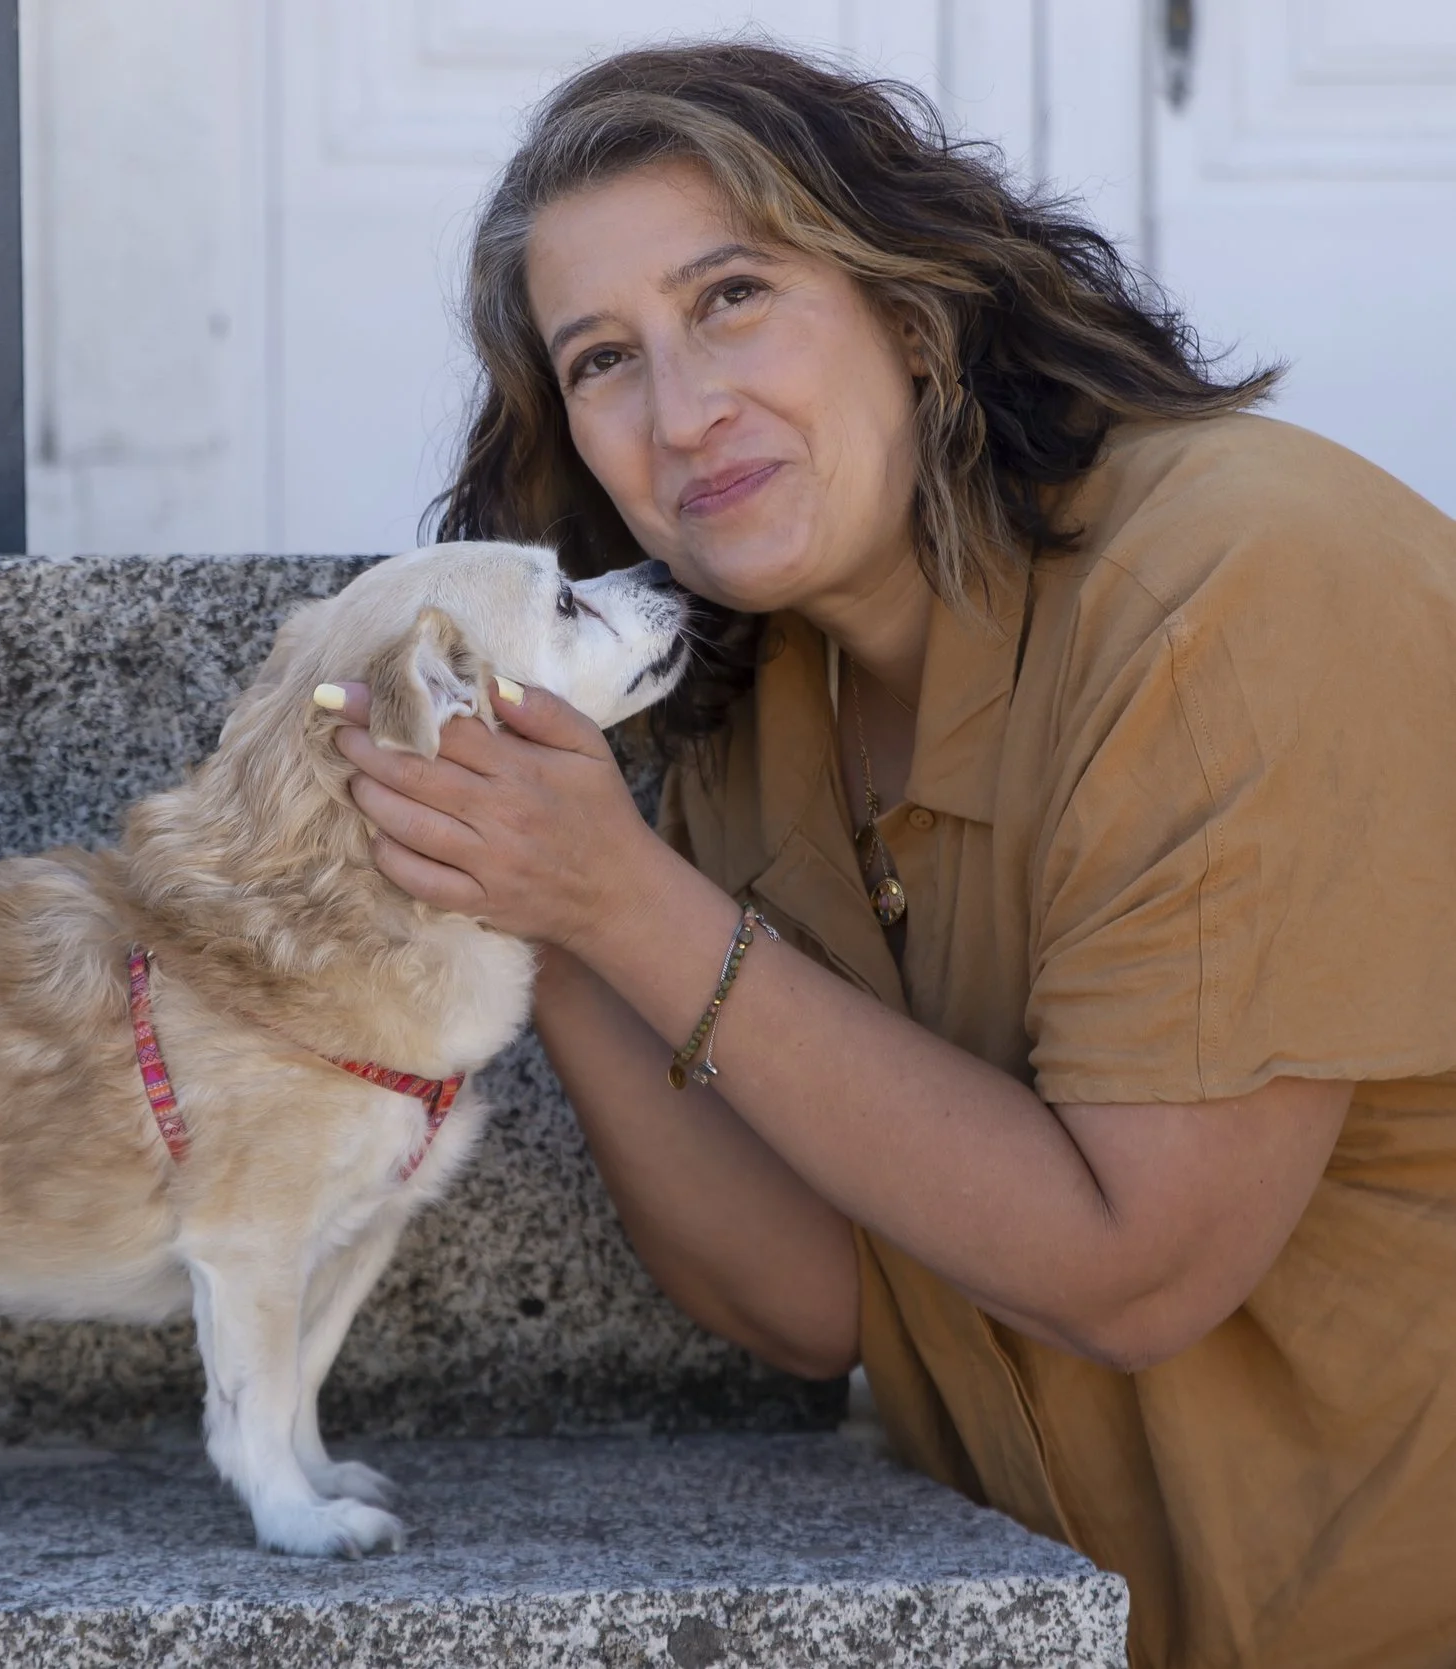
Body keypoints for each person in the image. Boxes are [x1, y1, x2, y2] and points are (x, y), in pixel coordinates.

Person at [319, 43, 1456, 1669]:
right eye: (602, 360)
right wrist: (542, 925)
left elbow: (1135, 1274)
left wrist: (621, 895)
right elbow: (818, 1303)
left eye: (731, 297)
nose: (684, 410)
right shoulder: (749, 689)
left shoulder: (1240, 590)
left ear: (910, 312)